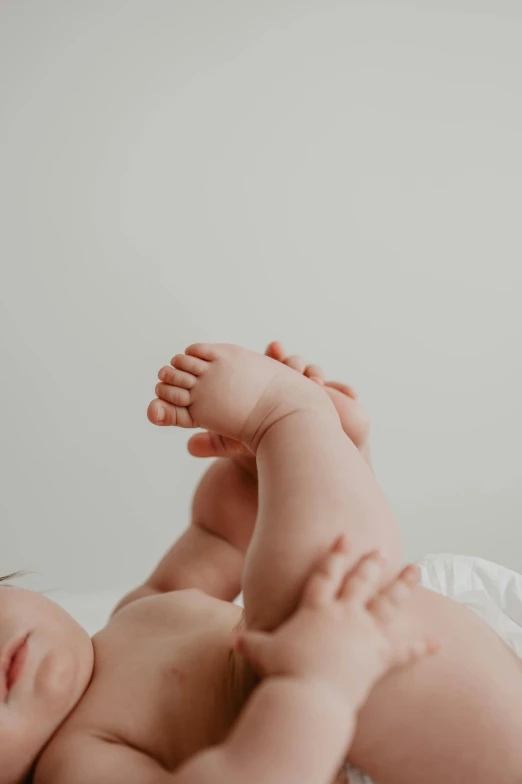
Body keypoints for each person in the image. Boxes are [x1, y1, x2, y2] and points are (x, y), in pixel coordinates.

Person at [2, 342, 522, 784]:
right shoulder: (75, 764)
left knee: (307, 593)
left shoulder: (134, 614)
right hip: (342, 744)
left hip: (429, 664)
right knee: (297, 600)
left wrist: (255, 476)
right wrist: (314, 685)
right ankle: (291, 418)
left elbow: (222, 539)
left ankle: (309, 438)